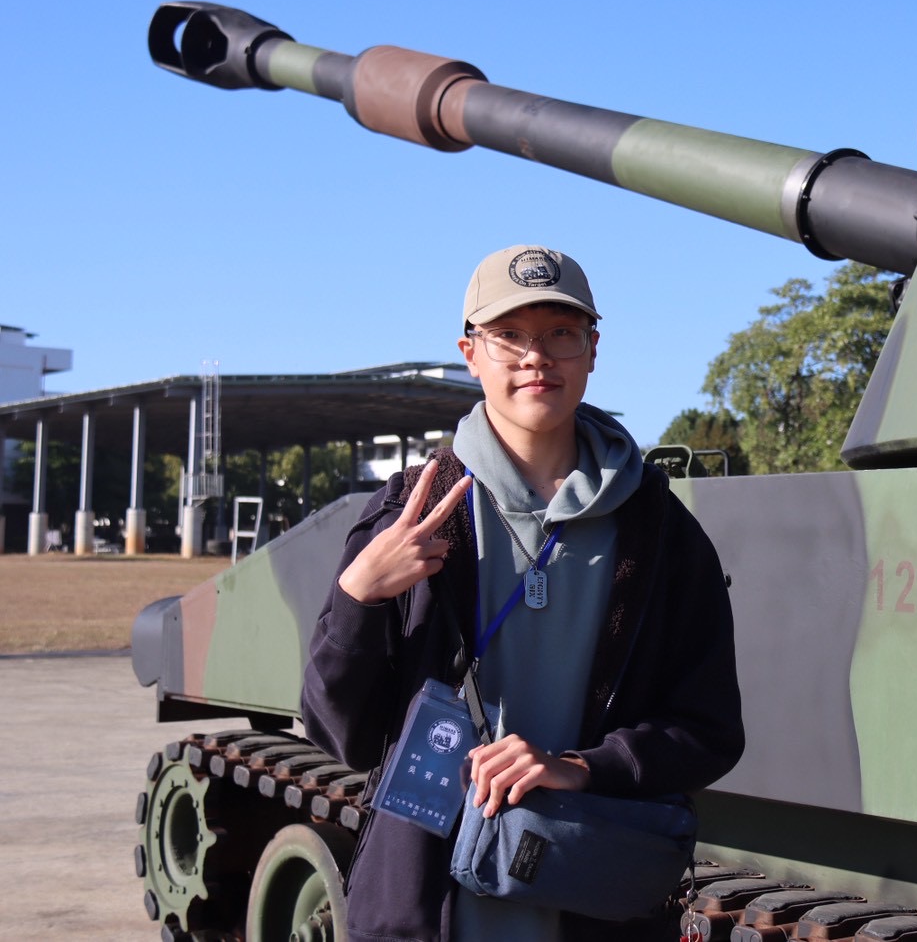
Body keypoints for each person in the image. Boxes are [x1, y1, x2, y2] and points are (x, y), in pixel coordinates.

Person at [301, 245, 745, 942]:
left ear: (592, 350)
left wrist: (581, 767)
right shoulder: (408, 514)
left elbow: (708, 730)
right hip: (426, 908)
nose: (536, 357)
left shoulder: (661, 533)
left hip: (590, 904)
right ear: (470, 353)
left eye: (560, 333)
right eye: (509, 335)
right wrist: (358, 597)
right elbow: (339, 734)